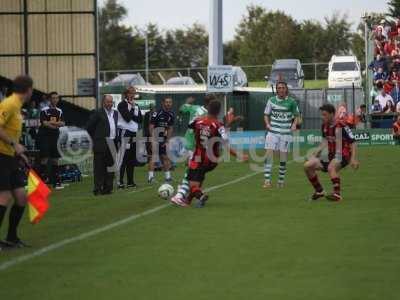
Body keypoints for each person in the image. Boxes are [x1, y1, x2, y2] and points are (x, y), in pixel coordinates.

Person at [170, 100, 248, 208]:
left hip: (198, 157)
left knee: (192, 183)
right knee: (198, 179)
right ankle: (187, 200)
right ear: (218, 111)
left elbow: (190, 128)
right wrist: (239, 155)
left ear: (208, 109)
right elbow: (225, 144)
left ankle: (200, 196)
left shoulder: (197, 121)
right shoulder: (219, 126)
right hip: (212, 160)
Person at [0, 75, 33, 250]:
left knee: (21, 197)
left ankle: (12, 237)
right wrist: (14, 144)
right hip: (1, 156)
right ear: (28, 90)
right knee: (4, 196)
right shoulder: (9, 103)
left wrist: (18, 153)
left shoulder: (17, 105)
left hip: (10, 157)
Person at [304, 104, 359, 202]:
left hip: (343, 155)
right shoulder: (324, 126)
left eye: (324, 115)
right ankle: (319, 191)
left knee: (331, 167)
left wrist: (353, 159)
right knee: (307, 166)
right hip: (330, 156)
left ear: (332, 114)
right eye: (322, 115)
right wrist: (317, 152)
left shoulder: (342, 125)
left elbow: (353, 142)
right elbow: (325, 141)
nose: (322, 117)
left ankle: (337, 195)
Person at [172, 95, 213, 202]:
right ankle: (179, 196)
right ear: (210, 104)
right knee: (192, 171)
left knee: (195, 170)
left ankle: (190, 192)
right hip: (194, 146)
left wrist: (187, 102)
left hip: (188, 142)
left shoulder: (195, 108)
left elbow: (181, 109)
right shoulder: (206, 115)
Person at [263, 81, 300, 188]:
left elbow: (296, 115)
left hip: (285, 133)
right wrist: (267, 124)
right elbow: (266, 114)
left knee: (283, 158)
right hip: (272, 132)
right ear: (276, 89)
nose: (281, 89)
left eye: (283, 87)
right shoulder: (271, 100)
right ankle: (267, 181)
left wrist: (294, 124)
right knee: (269, 154)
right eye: (279, 88)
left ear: (286, 89)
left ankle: (280, 181)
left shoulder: (292, 102)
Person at [86, 95, 118, 196]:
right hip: (100, 144)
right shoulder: (98, 113)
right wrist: (95, 139)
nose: (109, 104)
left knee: (111, 167)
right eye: (108, 102)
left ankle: (108, 188)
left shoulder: (116, 113)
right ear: (103, 102)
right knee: (99, 168)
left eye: (111, 102)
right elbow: (89, 127)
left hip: (112, 143)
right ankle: (98, 189)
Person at [38, 92, 65, 190]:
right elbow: (44, 123)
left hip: (55, 136)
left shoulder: (59, 111)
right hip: (44, 136)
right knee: (44, 158)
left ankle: (57, 182)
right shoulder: (44, 110)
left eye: (56, 98)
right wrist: (55, 125)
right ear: (49, 99)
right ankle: (42, 182)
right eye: (53, 98)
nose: (55, 100)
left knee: (55, 159)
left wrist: (53, 123)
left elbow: (62, 123)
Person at [116, 87, 142, 189]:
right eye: (131, 93)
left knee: (131, 159)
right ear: (126, 94)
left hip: (134, 133)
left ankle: (130, 181)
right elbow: (127, 118)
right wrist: (132, 108)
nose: (132, 95)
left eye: (134, 93)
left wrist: (133, 109)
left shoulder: (136, 105)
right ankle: (120, 181)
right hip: (125, 132)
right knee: (123, 158)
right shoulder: (122, 104)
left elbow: (140, 119)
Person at [148, 97, 175, 183]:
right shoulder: (157, 113)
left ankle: (168, 177)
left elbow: (170, 128)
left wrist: (167, 140)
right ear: (163, 103)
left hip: (163, 139)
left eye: (170, 102)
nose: (168, 104)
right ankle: (150, 177)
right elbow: (151, 126)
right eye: (166, 102)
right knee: (154, 157)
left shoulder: (171, 114)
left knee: (165, 157)